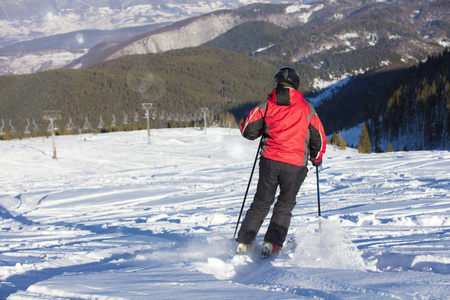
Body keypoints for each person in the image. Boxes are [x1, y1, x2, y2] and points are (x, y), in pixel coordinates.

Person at [236, 66, 327, 256]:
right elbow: (318, 137)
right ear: (296, 85)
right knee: (285, 204)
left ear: (277, 83)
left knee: (261, 203)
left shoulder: (267, 105)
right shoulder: (307, 109)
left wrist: (263, 130)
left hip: (269, 161)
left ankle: (245, 242)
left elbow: (247, 131)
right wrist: (316, 158)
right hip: (295, 165)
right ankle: (273, 243)